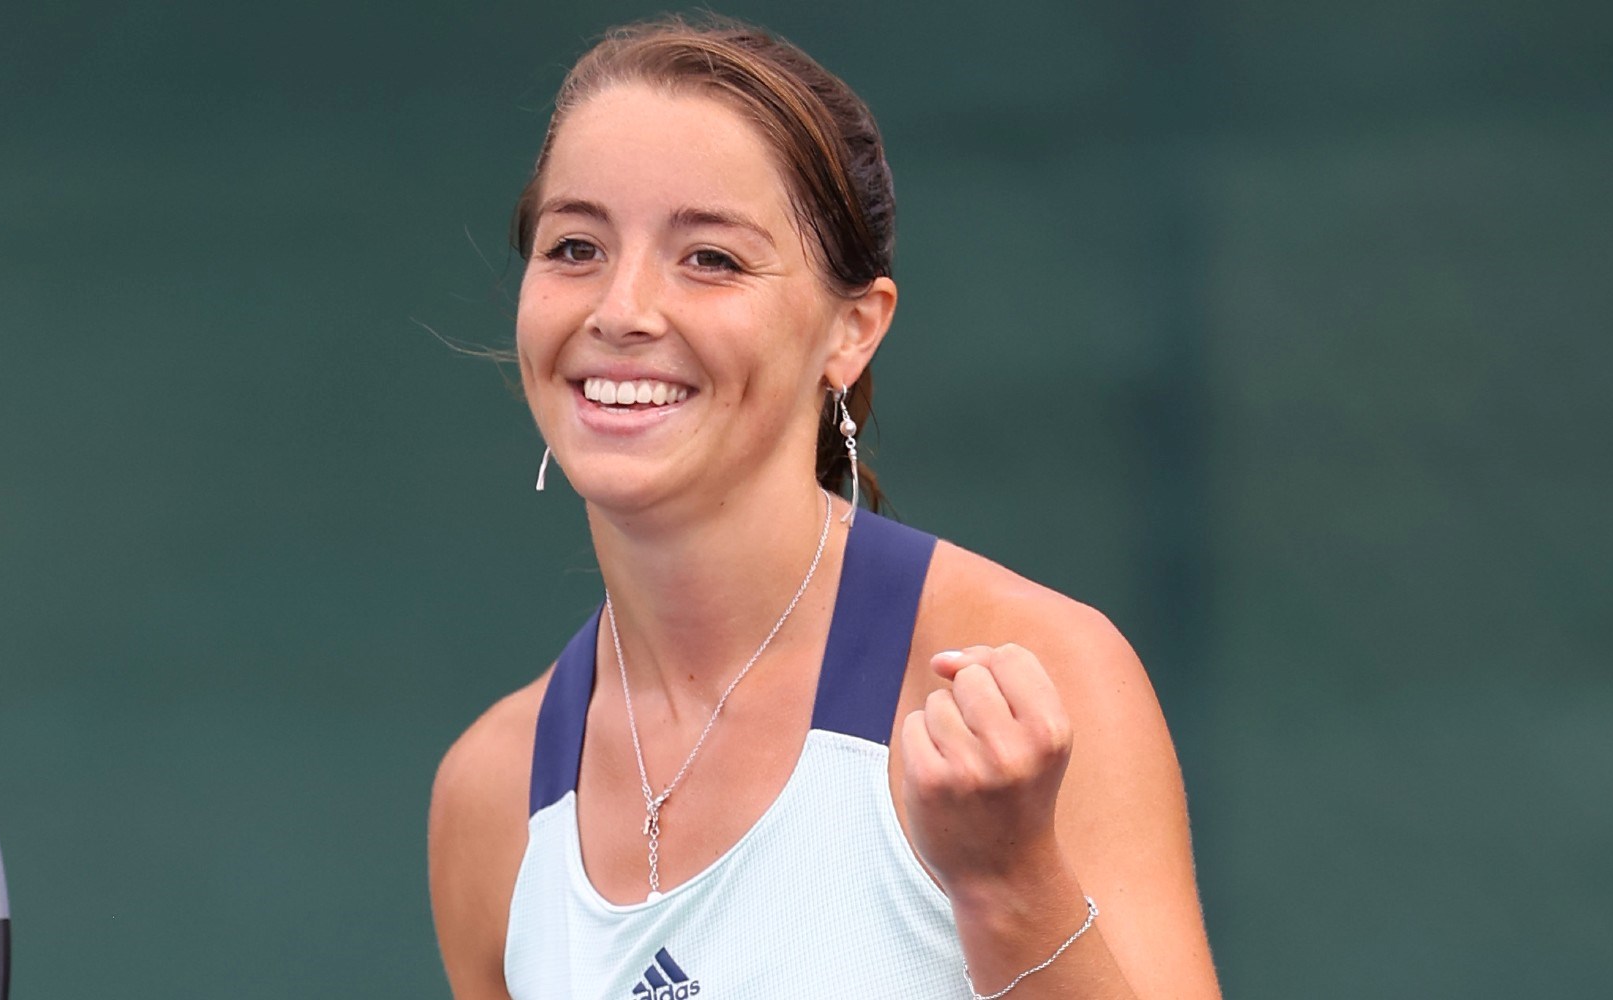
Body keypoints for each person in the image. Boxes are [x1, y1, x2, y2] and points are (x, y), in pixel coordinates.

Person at [427, 15, 1220, 1000]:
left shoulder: (1032, 683)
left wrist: (1012, 884)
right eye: (575, 246)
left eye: (710, 257)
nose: (621, 308)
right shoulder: (491, 794)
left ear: (852, 331)